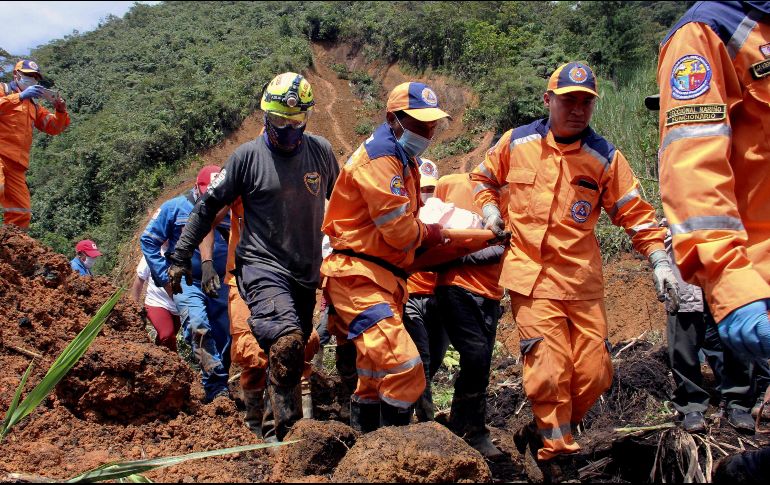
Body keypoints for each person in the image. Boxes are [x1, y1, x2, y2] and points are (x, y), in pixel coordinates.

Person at [470, 62, 680, 479]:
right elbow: (482, 177)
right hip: (531, 278)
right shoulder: (517, 142)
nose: (578, 109)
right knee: (549, 370)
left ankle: (543, 430)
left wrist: (658, 259)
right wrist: (490, 208)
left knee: (595, 373)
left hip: (580, 282)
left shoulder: (603, 158)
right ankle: (556, 455)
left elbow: (635, 214)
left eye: (586, 102)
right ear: (549, 100)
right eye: (569, 100)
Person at [166, 72, 339, 441]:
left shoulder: (321, 151)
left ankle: (278, 432)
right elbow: (207, 207)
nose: (287, 130)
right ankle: (285, 433)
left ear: (307, 118)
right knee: (288, 339)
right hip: (260, 266)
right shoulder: (247, 157)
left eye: (295, 122)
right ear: (265, 116)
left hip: (305, 272)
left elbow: (344, 204)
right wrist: (181, 256)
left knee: (293, 354)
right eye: (279, 121)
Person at [655, 2, 770, 480]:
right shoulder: (713, 29)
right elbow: (692, 169)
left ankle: (739, 412)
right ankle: (692, 403)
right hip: (737, 258)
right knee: (688, 327)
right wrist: (724, 274)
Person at [320, 81, 449, 432]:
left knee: (374, 376)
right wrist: (433, 234)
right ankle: (393, 451)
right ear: (393, 119)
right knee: (405, 367)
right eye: (419, 124)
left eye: (432, 124)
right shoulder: (381, 158)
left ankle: (367, 451)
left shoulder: (403, 160)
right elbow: (400, 230)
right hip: (358, 276)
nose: (427, 131)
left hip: (380, 278)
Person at [200, 196, 321, 440]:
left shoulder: (301, 167)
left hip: (290, 278)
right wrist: (207, 262)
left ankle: (299, 432)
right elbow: (207, 217)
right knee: (252, 354)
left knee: (300, 346)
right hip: (245, 277)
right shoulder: (242, 172)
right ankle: (256, 432)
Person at [660, 219, 764, 433]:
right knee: (683, 344)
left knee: (734, 341)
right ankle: (691, 406)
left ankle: (738, 403)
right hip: (685, 266)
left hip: (725, 264)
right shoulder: (680, 189)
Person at [140, 165, 232, 404]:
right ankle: (216, 388)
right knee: (198, 324)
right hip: (188, 282)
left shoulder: (229, 208)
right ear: (196, 187)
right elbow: (149, 241)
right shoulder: (173, 208)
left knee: (225, 335)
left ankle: (220, 380)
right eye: (206, 191)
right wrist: (165, 279)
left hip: (221, 282)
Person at [433, 171, 508, 459]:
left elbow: (505, 245)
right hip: (454, 286)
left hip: (491, 291)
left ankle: (462, 426)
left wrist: (457, 255)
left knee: (480, 364)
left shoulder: (513, 195)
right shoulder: (449, 183)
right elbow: (430, 222)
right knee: (475, 356)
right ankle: (472, 433)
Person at [402, 158, 449, 423]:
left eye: (431, 188)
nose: (426, 194)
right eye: (423, 188)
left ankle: (413, 410)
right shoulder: (404, 219)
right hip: (411, 295)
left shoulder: (447, 217)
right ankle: (426, 421)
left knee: (436, 357)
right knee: (423, 360)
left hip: (439, 297)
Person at [1, 60, 70, 228]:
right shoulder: (3, 90)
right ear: (16, 75)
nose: (32, 79)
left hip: (17, 164)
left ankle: (12, 249)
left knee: (21, 211)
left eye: (35, 77)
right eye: (28, 75)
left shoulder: (34, 106)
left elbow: (53, 127)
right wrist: (19, 97)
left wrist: (60, 110)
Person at [130, 247, 180, 351]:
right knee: (167, 335)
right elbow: (140, 279)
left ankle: (155, 358)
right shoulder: (152, 254)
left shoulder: (184, 251)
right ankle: (172, 364)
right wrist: (132, 307)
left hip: (177, 306)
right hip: (156, 302)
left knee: (167, 339)